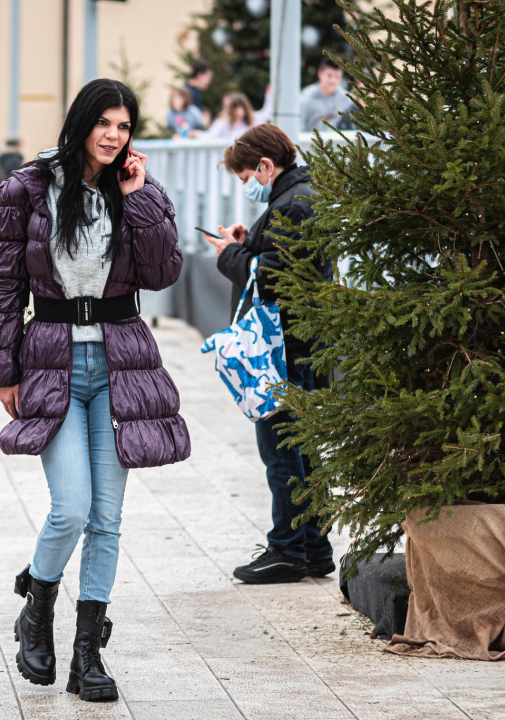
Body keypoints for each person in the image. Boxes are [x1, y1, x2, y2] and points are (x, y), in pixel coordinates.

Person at [0, 78, 189, 700]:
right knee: (69, 508)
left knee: (107, 519)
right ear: (81, 123)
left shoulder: (138, 192)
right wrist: (2, 370)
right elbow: (5, 286)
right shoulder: (27, 189)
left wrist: (141, 199)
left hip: (120, 365)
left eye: (124, 127)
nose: (113, 136)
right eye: (105, 123)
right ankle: (36, 607)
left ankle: (87, 655)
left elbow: (163, 271)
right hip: (53, 363)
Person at [203, 124, 334, 584]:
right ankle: (313, 547)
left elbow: (270, 280)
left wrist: (229, 254)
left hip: (284, 346)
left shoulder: (292, 205)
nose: (247, 187)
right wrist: (247, 243)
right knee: (303, 448)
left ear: (265, 165)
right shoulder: (300, 195)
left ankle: (288, 549)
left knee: (282, 445)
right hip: (304, 340)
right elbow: (275, 259)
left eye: (245, 178)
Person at [301, 56, 355, 132]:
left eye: (337, 77)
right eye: (329, 75)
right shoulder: (306, 97)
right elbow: (299, 127)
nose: (333, 80)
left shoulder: (347, 99)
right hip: (311, 142)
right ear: (320, 74)